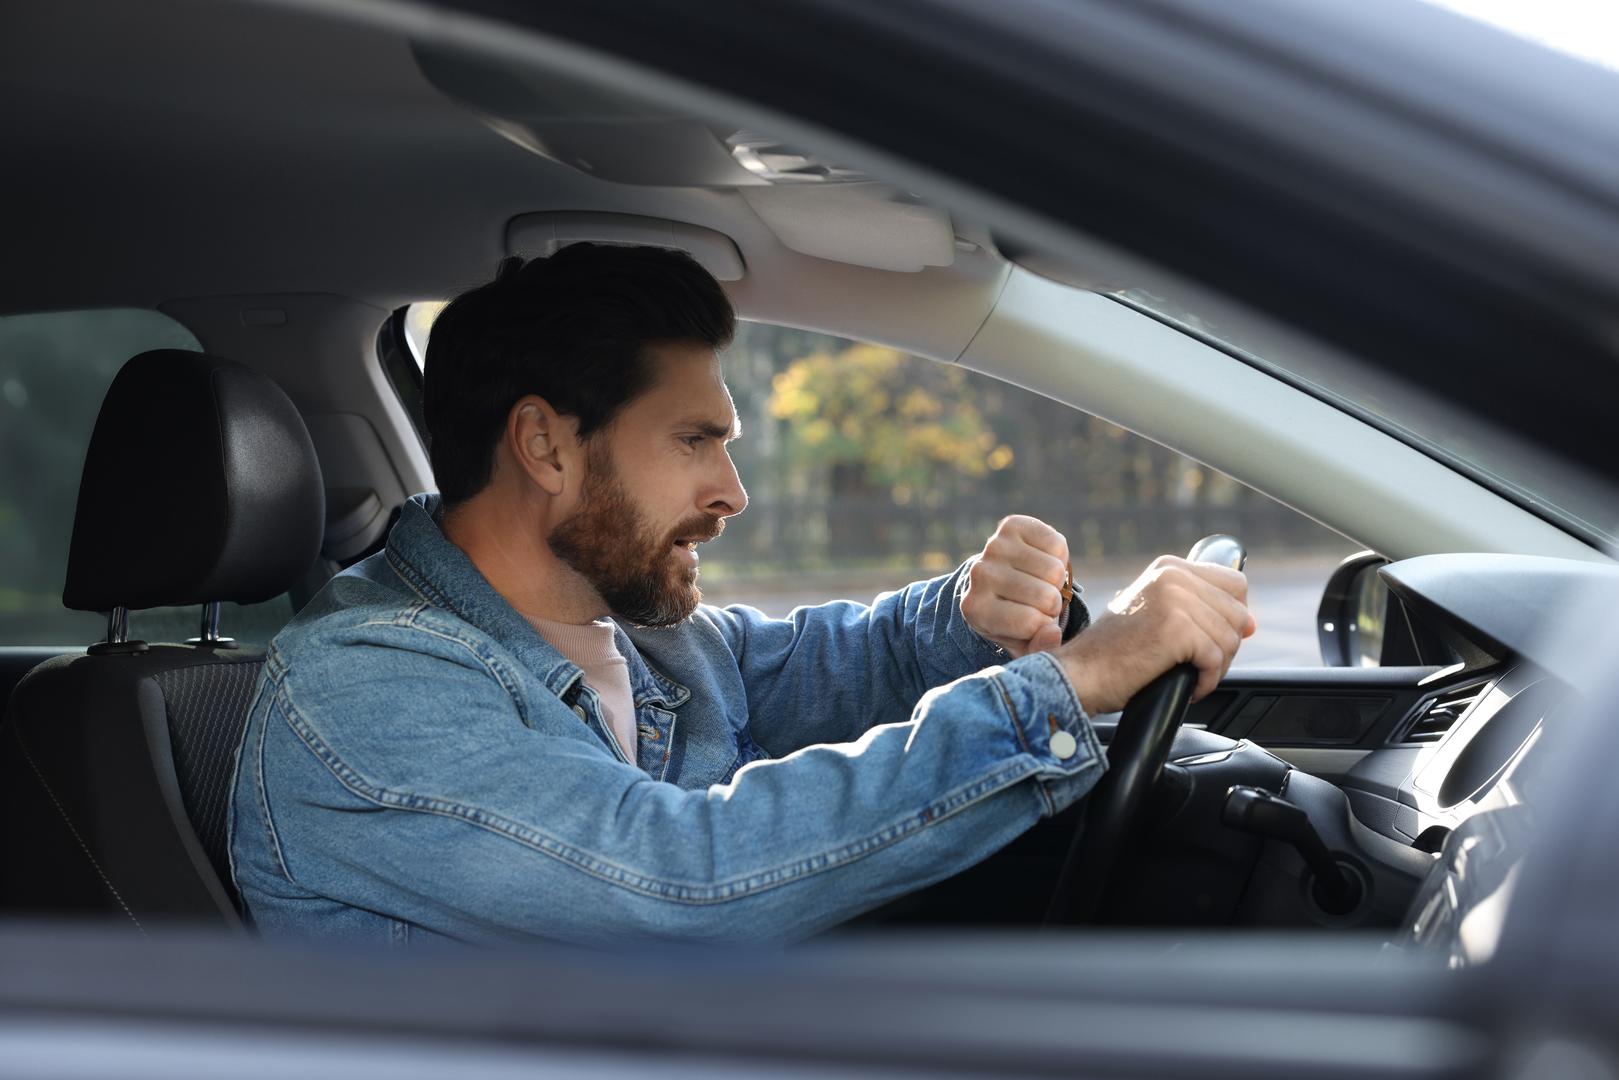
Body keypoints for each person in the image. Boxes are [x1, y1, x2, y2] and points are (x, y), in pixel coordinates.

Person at [227, 243, 1254, 944]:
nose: (731, 492)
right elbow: (678, 883)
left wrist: (966, 617)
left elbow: (816, 664)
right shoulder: (365, 686)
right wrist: (1071, 685)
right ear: (543, 444)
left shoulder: (623, 629)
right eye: (691, 442)